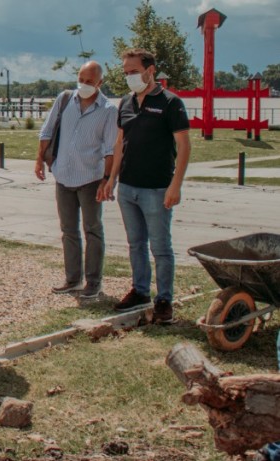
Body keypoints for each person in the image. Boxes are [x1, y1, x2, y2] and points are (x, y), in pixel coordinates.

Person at [99, 49, 191, 323]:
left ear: (150, 70)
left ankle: (164, 299)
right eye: (126, 72)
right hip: (128, 188)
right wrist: (111, 179)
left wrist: (176, 185)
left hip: (157, 188)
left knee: (161, 248)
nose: (129, 76)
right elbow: (119, 143)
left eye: (134, 71)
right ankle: (140, 291)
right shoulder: (125, 103)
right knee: (135, 244)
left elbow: (184, 145)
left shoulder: (170, 103)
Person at [34, 61, 117, 299]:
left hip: (91, 178)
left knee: (93, 230)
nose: (83, 84)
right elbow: (47, 131)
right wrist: (39, 160)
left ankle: (93, 281)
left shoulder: (109, 110)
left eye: (89, 81)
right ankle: (72, 278)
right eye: (81, 79)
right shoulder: (64, 100)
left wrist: (107, 179)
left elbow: (111, 148)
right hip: (64, 176)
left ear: (100, 83)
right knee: (68, 230)